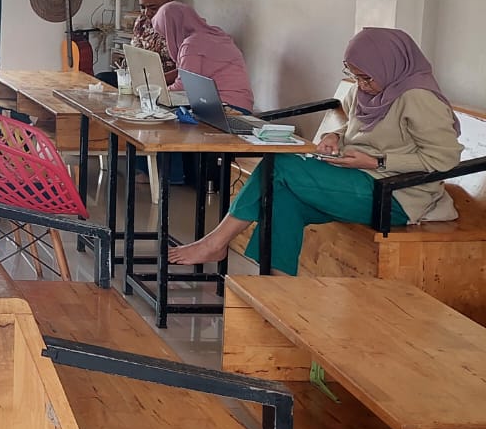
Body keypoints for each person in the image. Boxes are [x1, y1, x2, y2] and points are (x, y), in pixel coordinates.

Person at [170, 28, 462, 273]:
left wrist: (377, 161)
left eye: (367, 77)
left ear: (390, 65)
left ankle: (216, 242)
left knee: (280, 166)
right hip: (359, 179)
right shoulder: (366, 91)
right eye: (355, 76)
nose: (361, 85)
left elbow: (444, 158)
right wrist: (335, 136)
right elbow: (353, 127)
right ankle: (275, 293)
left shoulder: (418, 97)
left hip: (396, 195)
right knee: (281, 199)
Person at [152, 1, 254, 112]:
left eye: (166, 35)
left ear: (173, 29)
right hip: (242, 104)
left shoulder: (192, 45)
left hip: (226, 107)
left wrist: (154, 93)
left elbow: (182, 88)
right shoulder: (215, 34)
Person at [97, 0, 177, 85]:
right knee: (101, 78)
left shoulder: (180, 25)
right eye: (143, 7)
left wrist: (155, 81)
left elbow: (185, 71)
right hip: (138, 78)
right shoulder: (142, 21)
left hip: (164, 83)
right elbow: (134, 52)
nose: (147, 12)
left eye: (153, 8)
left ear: (170, 2)